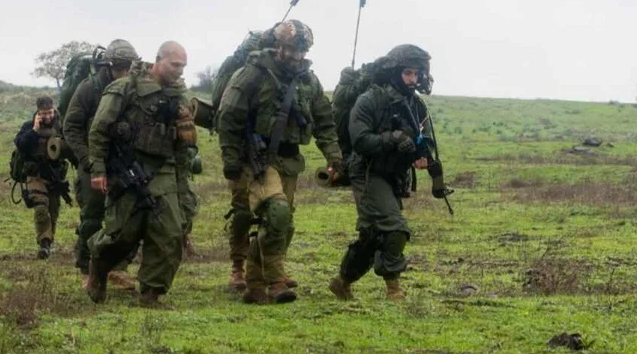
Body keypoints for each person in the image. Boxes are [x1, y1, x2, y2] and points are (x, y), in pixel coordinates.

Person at [216, 20, 342, 304]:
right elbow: (229, 117)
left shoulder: (308, 80)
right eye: (290, 49)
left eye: (301, 50)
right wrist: (231, 160)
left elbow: (323, 118)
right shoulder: (253, 74)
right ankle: (274, 281)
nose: (296, 56)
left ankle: (255, 283)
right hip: (257, 158)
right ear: (277, 46)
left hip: (290, 159)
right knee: (275, 214)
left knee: (282, 223)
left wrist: (333, 154)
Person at [329, 45, 448, 301]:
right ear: (395, 72)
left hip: (394, 175)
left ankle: (342, 281)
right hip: (368, 171)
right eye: (407, 73)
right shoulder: (370, 100)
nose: (412, 80)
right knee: (395, 228)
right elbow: (360, 141)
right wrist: (392, 138)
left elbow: (425, 139)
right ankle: (394, 289)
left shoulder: (416, 106)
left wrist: (421, 155)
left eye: (416, 74)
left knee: (373, 235)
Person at [85, 41, 196, 307]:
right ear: (158, 60)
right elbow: (99, 130)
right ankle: (98, 267)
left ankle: (151, 293)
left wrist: (184, 181)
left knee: (169, 234)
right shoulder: (125, 89)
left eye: (183, 66)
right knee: (122, 235)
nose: (180, 71)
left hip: (165, 170)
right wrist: (98, 169)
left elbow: (184, 147)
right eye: (175, 65)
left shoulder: (179, 96)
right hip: (128, 169)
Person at [62, 40, 140, 287]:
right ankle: (88, 270)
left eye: (129, 67)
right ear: (108, 65)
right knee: (93, 216)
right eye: (119, 67)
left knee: (127, 218)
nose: (124, 73)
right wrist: (87, 160)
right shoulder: (89, 88)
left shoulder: (135, 88)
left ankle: (117, 268)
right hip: (92, 161)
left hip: (124, 162)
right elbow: (71, 127)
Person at [13, 95, 71, 258]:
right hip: (35, 175)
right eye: (43, 113)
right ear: (38, 113)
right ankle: (44, 243)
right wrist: (34, 131)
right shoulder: (29, 126)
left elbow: (71, 146)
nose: (47, 116)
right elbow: (20, 144)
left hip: (55, 176)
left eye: (50, 112)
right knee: (40, 207)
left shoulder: (61, 127)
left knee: (53, 211)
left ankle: (48, 242)